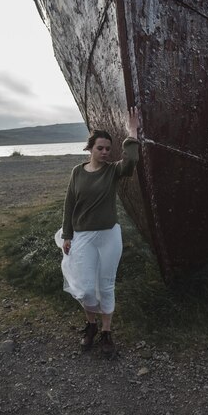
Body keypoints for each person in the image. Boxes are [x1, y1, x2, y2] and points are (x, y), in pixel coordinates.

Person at [56, 107, 140, 358]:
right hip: (82, 237)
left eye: (107, 149)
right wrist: (68, 234)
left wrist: (132, 133)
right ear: (90, 148)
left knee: (106, 284)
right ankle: (90, 324)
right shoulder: (77, 172)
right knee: (84, 288)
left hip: (109, 236)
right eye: (99, 148)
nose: (104, 152)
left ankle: (106, 332)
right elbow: (69, 203)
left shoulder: (113, 170)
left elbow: (131, 161)